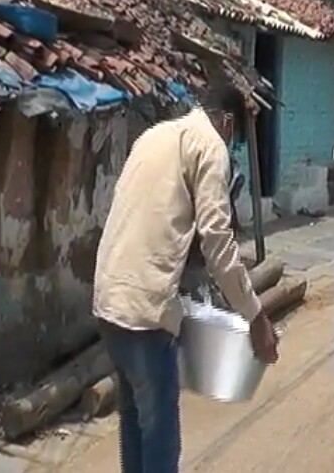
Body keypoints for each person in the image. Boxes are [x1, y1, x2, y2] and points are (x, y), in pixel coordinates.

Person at [92, 81, 279, 473]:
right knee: (160, 440)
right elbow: (218, 242)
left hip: (109, 301)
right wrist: (256, 317)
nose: (232, 146)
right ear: (227, 122)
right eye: (236, 137)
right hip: (145, 313)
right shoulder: (210, 146)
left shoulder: (156, 135)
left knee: (135, 426)